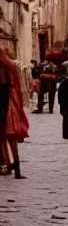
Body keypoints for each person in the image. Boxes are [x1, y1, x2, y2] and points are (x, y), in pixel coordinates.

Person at [0, 48, 29, 179]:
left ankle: (9, 165)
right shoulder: (11, 66)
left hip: (8, 106)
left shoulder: (7, 68)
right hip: (11, 105)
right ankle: (13, 168)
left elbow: (4, 87)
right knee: (10, 140)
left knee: (6, 138)